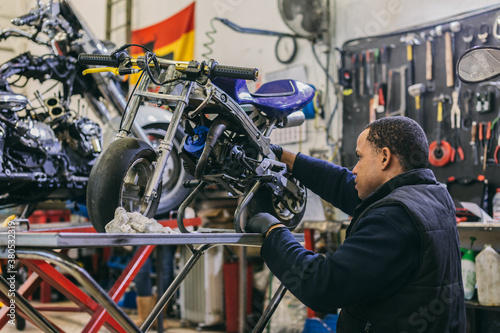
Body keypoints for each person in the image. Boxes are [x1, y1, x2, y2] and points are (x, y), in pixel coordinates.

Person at [245, 116, 466, 332]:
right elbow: (344, 185)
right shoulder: (434, 195)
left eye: (360, 157)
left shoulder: (394, 218)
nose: (354, 169)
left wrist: (275, 233)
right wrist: (285, 157)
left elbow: (321, 285)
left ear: (384, 157)